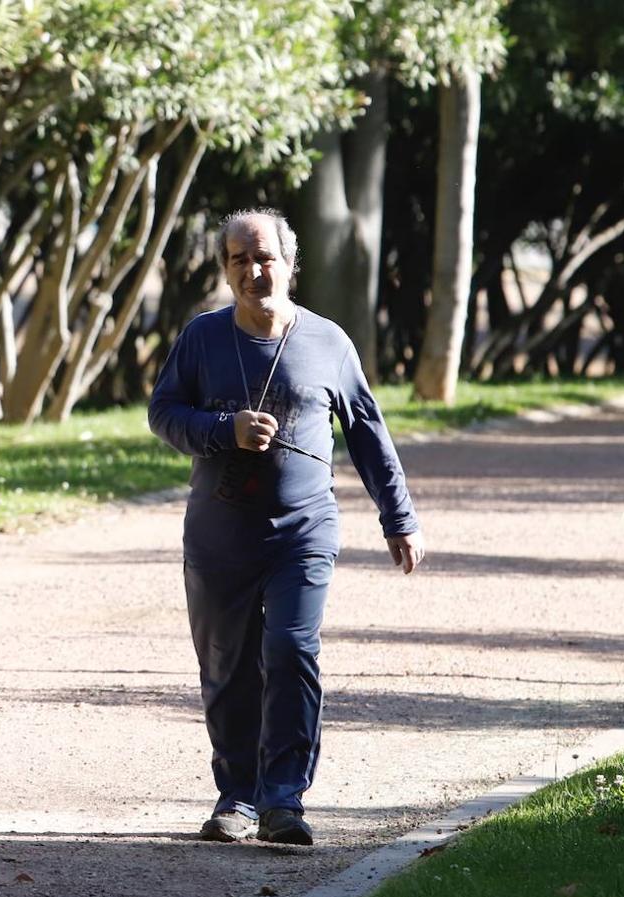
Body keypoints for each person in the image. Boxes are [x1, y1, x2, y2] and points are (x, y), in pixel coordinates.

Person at [147, 209, 424, 846]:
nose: (254, 270)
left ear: (290, 263)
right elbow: (163, 413)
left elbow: (367, 433)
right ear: (225, 269)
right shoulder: (202, 338)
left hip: (302, 530)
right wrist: (224, 431)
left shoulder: (328, 341)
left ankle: (283, 800)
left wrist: (398, 516)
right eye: (239, 259)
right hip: (219, 533)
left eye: (265, 256)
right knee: (227, 666)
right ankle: (236, 799)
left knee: (291, 650)